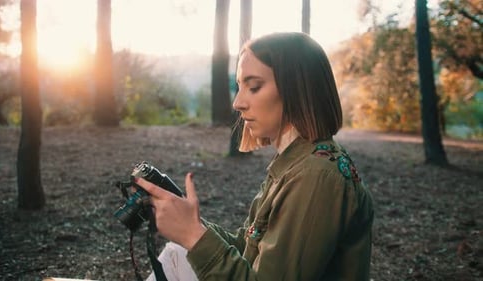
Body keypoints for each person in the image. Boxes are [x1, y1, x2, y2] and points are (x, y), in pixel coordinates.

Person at [137, 32, 374, 281]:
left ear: (296, 89)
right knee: (178, 252)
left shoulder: (316, 175)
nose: (238, 103)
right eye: (238, 87)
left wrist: (193, 236)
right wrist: (190, 223)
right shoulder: (296, 161)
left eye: (254, 87)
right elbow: (248, 249)